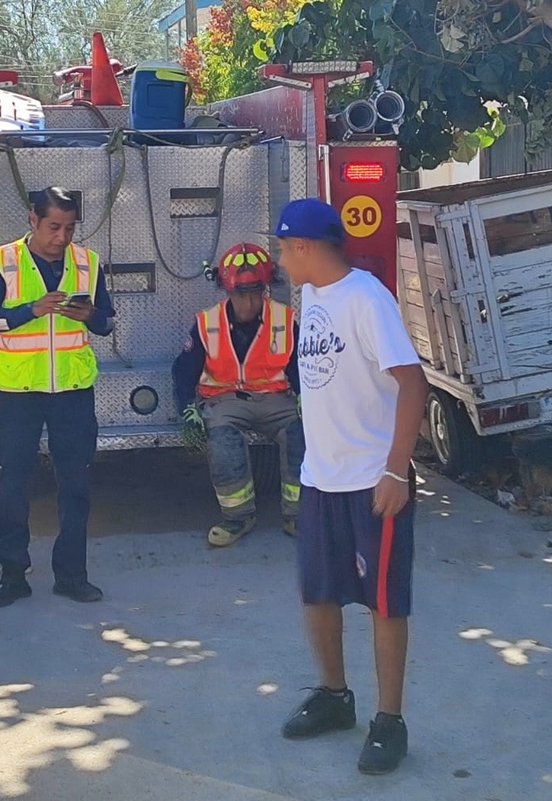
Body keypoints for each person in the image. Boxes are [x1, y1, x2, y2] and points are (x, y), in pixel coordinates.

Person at [271, 198, 427, 776]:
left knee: (384, 603)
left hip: (372, 482)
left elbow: (413, 384)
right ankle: (335, 697)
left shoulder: (367, 299)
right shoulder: (312, 295)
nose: (281, 261)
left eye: (284, 250)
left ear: (304, 247)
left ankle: (390, 721)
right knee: (317, 594)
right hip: (321, 478)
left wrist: (396, 470)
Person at [0, 186, 116, 607]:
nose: (62, 237)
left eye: (69, 228)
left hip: (72, 391)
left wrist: (91, 315)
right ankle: (11, 576)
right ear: (32, 220)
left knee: (76, 485)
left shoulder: (88, 262)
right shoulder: (3, 260)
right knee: (13, 484)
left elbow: (108, 322)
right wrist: (29, 311)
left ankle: (72, 576)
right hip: (17, 392)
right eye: (53, 226)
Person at [172, 241, 304, 547]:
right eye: (240, 294)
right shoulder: (207, 323)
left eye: (256, 293)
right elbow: (183, 371)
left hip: (275, 399)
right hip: (225, 400)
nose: (248, 303)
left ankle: (298, 515)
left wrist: (304, 397)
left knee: (300, 434)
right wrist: (188, 409)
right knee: (222, 441)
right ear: (227, 291)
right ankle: (239, 517)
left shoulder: (284, 320)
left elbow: (299, 365)